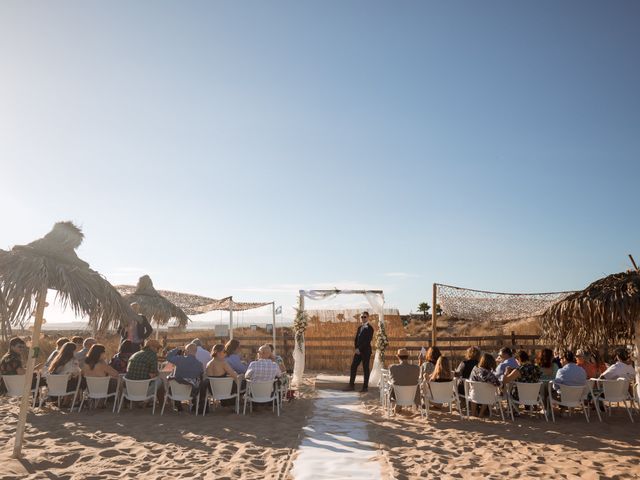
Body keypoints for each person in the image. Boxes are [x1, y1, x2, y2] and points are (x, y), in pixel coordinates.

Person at [347, 311, 374, 392]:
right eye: (362, 317)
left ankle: (365, 387)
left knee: (365, 368)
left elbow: (367, 341)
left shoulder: (370, 328)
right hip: (358, 352)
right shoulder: (359, 327)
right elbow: (356, 339)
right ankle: (351, 385)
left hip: (366, 351)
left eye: (365, 317)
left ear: (368, 317)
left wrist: (360, 349)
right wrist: (356, 348)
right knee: (353, 366)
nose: (363, 318)